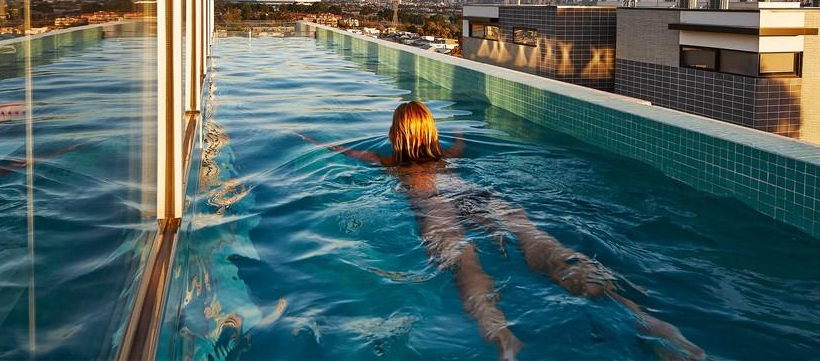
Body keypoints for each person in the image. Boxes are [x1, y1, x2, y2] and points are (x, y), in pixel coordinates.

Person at [300, 100, 704, 361]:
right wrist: (467, 116)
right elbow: (460, 140)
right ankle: (647, 322)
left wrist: (307, 139)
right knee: (543, 243)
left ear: (395, 134)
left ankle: (505, 341)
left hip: (432, 204)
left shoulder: (388, 162)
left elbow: (343, 153)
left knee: (465, 263)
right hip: (478, 194)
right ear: (429, 131)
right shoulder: (448, 153)